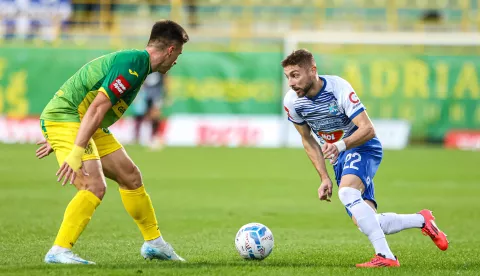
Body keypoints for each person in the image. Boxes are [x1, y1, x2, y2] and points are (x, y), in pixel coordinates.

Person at [35, 20, 189, 265]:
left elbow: (91, 104)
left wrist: (69, 135)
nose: (176, 60)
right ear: (170, 50)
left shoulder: (139, 66)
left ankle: (154, 243)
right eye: (178, 54)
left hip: (83, 122)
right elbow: (97, 107)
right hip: (70, 117)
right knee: (93, 186)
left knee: (131, 177)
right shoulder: (133, 63)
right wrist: (74, 147)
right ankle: (59, 250)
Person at [281, 49, 449, 267]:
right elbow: (307, 139)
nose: (291, 83)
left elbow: (368, 129)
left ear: (313, 70)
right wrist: (324, 177)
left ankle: (386, 257)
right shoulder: (293, 102)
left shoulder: (337, 88)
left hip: (363, 146)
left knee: (348, 192)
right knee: (366, 221)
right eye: (287, 77)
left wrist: (340, 145)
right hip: (339, 158)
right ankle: (422, 220)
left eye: (295, 75)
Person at [132, 71, 168, 149]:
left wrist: (166, 93)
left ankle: (154, 137)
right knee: (140, 114)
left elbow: (165, 78)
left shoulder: (162, 67)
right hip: (145, 92)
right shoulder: (147, 65)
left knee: (155, 115)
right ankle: (138, 137)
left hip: (157, 93)